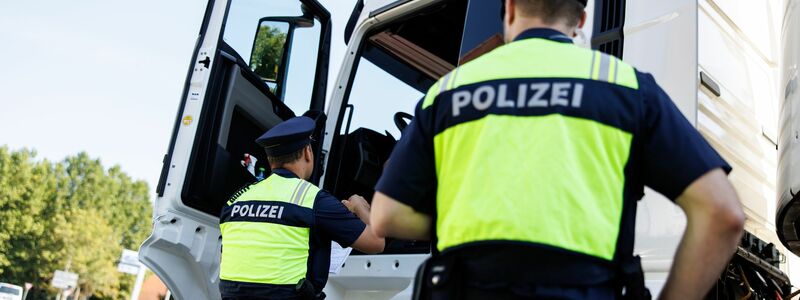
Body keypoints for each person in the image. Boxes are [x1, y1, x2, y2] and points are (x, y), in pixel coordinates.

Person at [370, 0, 745, 299]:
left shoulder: (448, 92)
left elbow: (386, 217)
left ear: (511, 8)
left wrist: (475, 215)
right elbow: (723, 213)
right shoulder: (626, 86)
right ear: (580, 20)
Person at [219, 116, 384, 300]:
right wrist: (360, 206)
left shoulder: (236, 199)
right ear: (307, 152)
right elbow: (377, 243)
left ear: (269, 158)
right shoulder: (313, 199)